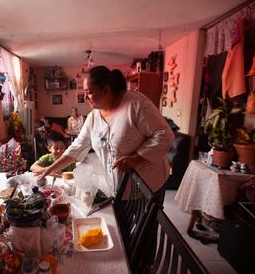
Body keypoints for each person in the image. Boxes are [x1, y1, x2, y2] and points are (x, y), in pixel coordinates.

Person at [34, 65, 174, 196]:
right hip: (118, 186)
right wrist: (50, 169)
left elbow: (165, 135)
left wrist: (135, 159)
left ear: (106, 90)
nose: (84, 97)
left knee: (145, 222)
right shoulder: (93, 117)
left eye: (89, 92)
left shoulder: (136, 105)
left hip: (148, 185)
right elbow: (77, 147)